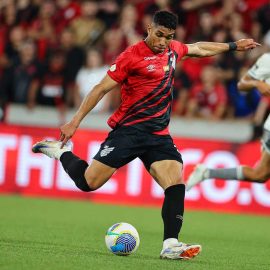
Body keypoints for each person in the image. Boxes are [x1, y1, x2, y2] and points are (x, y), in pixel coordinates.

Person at [32, 10, 259, 260]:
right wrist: (74, 122)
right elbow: (100, 88)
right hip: (128, 132)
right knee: (89, 183)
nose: (163, 42)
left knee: (175, 183)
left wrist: (233, 45)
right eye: (159, 35)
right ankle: (62, 152)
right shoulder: (131, 56)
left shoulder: (172, 49)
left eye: (168, 37)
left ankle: (170, 244)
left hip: (158, 135)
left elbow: (198, 48)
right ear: (149, 28)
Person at [186, 52, 270, 191]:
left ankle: (206, 172)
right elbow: (243, 84)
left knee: (259, 175)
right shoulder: (267, 60)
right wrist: (257, 83)